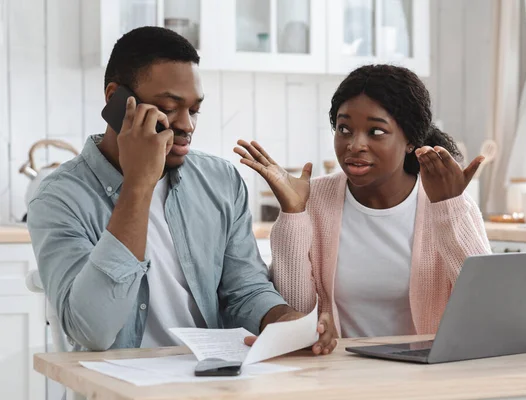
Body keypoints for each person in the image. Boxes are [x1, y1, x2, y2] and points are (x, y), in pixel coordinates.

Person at [27, 26, 336, 354]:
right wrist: (137, 185)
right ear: (116, 101)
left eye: (194, 110)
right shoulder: (59, 198)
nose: (187, 125)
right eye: (170, 108)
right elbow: (93, 331)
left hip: (213, 379)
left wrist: (286, 321)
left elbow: (244, 291)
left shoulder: (220, 181)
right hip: (116, 386)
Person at [234, 64, 491, 339]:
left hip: (426, 374)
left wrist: (448, 210)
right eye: (344, 129)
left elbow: (488, 304)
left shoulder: (443, 202)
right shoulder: (313, 199)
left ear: (410, 140)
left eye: (376, 132)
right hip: (334, 374)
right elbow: (295, 320)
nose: (355, 145)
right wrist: (293, 214)